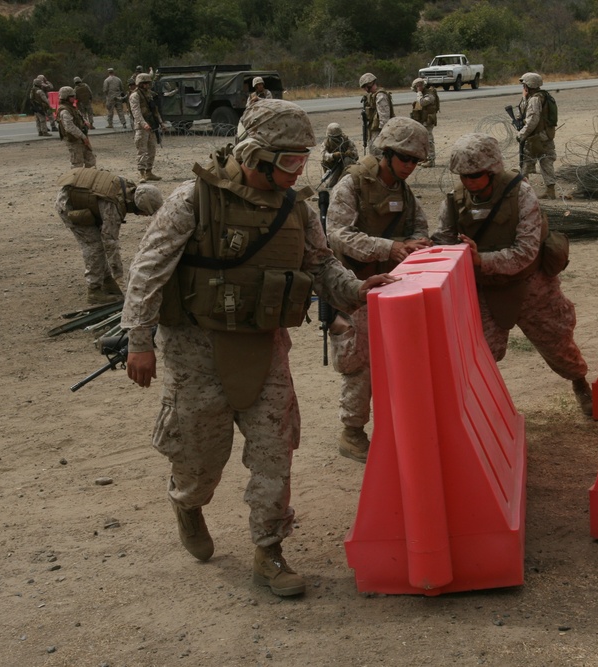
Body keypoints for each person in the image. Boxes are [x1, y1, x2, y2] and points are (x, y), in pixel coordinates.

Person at [120, 98, 397, 596]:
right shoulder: (193, 200)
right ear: (256, 155)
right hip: (195, 348)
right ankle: (187, 502)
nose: (298, 171)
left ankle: (268, 551)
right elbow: (147, 271)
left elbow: (321, 266)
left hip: (265, 345)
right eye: (289, 161)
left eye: (303, 160)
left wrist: (358, 290)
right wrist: (139, 341)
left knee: (275, 449)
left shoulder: (299, 209)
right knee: (199, 455)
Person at [432, 133, 593, 416]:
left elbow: (525, 252)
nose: (468, 182)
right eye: (463, 176)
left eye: (475, 175)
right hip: (486, 289)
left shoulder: (521, 194)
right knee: (481, 355)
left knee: (559, 345)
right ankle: (483, 411)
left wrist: (480, 258)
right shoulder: (455, 200)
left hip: (530, 285)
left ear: (492, 170)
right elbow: (443, 239)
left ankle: (580, 383)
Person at [326, 117, 432, 462]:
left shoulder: (401, 189)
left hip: (392, 286)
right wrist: (389, 248)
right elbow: (338, 234)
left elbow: (417, 223)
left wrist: (417, 243)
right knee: (361, 363)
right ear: (386, 153)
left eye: (416, 161)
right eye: (406, 159)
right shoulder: (353, 184)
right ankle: (352, 432)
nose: (411, 167)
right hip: (355, 286)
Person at [55, 168, 163, 304]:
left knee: (99, 242)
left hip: (85, 201)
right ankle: (94, 290)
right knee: (94, 246)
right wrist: (119, 277)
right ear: (140, 206)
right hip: (69, 205)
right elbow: (110, 243)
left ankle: (106, 280)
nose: (146, 215)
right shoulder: (114, 207)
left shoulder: (128, 190)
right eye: (147, 212)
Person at [516, 72, 557, 199]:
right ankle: (550, 191)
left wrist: (522, 134)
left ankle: (524, 192)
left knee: (526, 161)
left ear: (528, 86)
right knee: (546, 162)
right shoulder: (544, 96)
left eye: (524, 85)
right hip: (547, 134)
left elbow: (532, 119)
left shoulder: (534, 99)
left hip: (536, 137)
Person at [129, 72, 163, 182]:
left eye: (149, 83)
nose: (148, 85)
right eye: (146, 83)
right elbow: (136, 112)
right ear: (140, 84)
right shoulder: (135, 96)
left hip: (152, 126)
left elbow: (155, 111)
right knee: (142, 151)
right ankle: (142, 173)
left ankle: (149, 172)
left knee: (152, 150)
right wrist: (144, 124)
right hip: (142, 127)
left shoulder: (149, 94)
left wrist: (161, 123)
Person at [56, 86, 96, 168]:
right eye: (72, 96)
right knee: (77, 163)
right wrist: (82, 136)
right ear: (66, 97)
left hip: (79, 138)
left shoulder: (71, 107)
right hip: (74, 139)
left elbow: (78, 116)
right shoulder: (64, 110)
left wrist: (85, 121)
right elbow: (69, 127)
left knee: (90, 159)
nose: (74, 98)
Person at [359, 72, 393, 157]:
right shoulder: (371, 96)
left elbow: (384, 117)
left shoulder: (380, 96)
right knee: (373, 152)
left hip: (380, 130)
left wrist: (383, 135)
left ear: (370, 84)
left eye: (365, 86)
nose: (364, 89)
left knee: (379, 153)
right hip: (373, 128)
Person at [410, 77, 439, 167]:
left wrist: (419, 92)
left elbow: (422, 102)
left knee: (429, 140)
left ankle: (431, 160)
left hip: (428, 120)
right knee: (423, 140)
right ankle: (425, 157)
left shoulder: (430, 95)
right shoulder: (423, 94)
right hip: (423, 120)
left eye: (418, 87)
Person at [320, 123, 358, 189]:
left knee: (347, 160)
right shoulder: (326, 143)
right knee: (328, 184)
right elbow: (324, 155)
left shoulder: (346, 140)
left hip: (346, 165)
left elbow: (355, 153)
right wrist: (333, 155)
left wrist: (351, 153)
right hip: (334, 167)